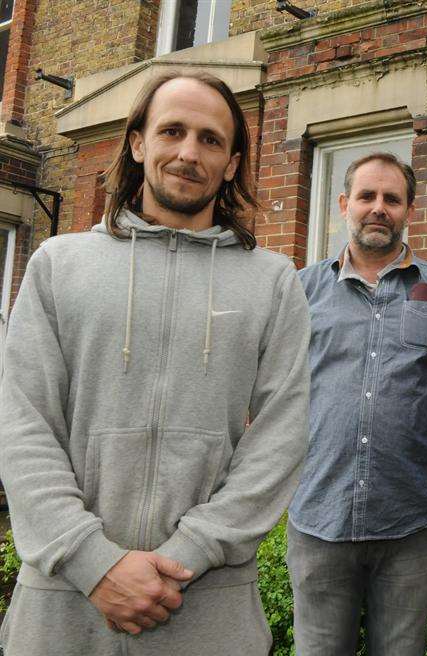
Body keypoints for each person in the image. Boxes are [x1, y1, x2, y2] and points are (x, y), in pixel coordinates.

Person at [0, 71, 311, 655]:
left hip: (205, 605)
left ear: (233, 162)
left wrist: (187, 555)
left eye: (210, 139)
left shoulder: (273, 283)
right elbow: (22, 424)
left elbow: (281, 438)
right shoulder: (57, 265)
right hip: (63, 608)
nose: (189, 153)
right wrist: (93, 562)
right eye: (172, 131)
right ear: (138, 144)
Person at [287, 152, 427, 656]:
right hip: (319, 517)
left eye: (392, 199)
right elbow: (272, 396)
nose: (379, 208)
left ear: (409, 210)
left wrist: (415, 442)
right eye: (367, 196)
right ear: (343, 205)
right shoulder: (301, 290)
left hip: (409, 522)